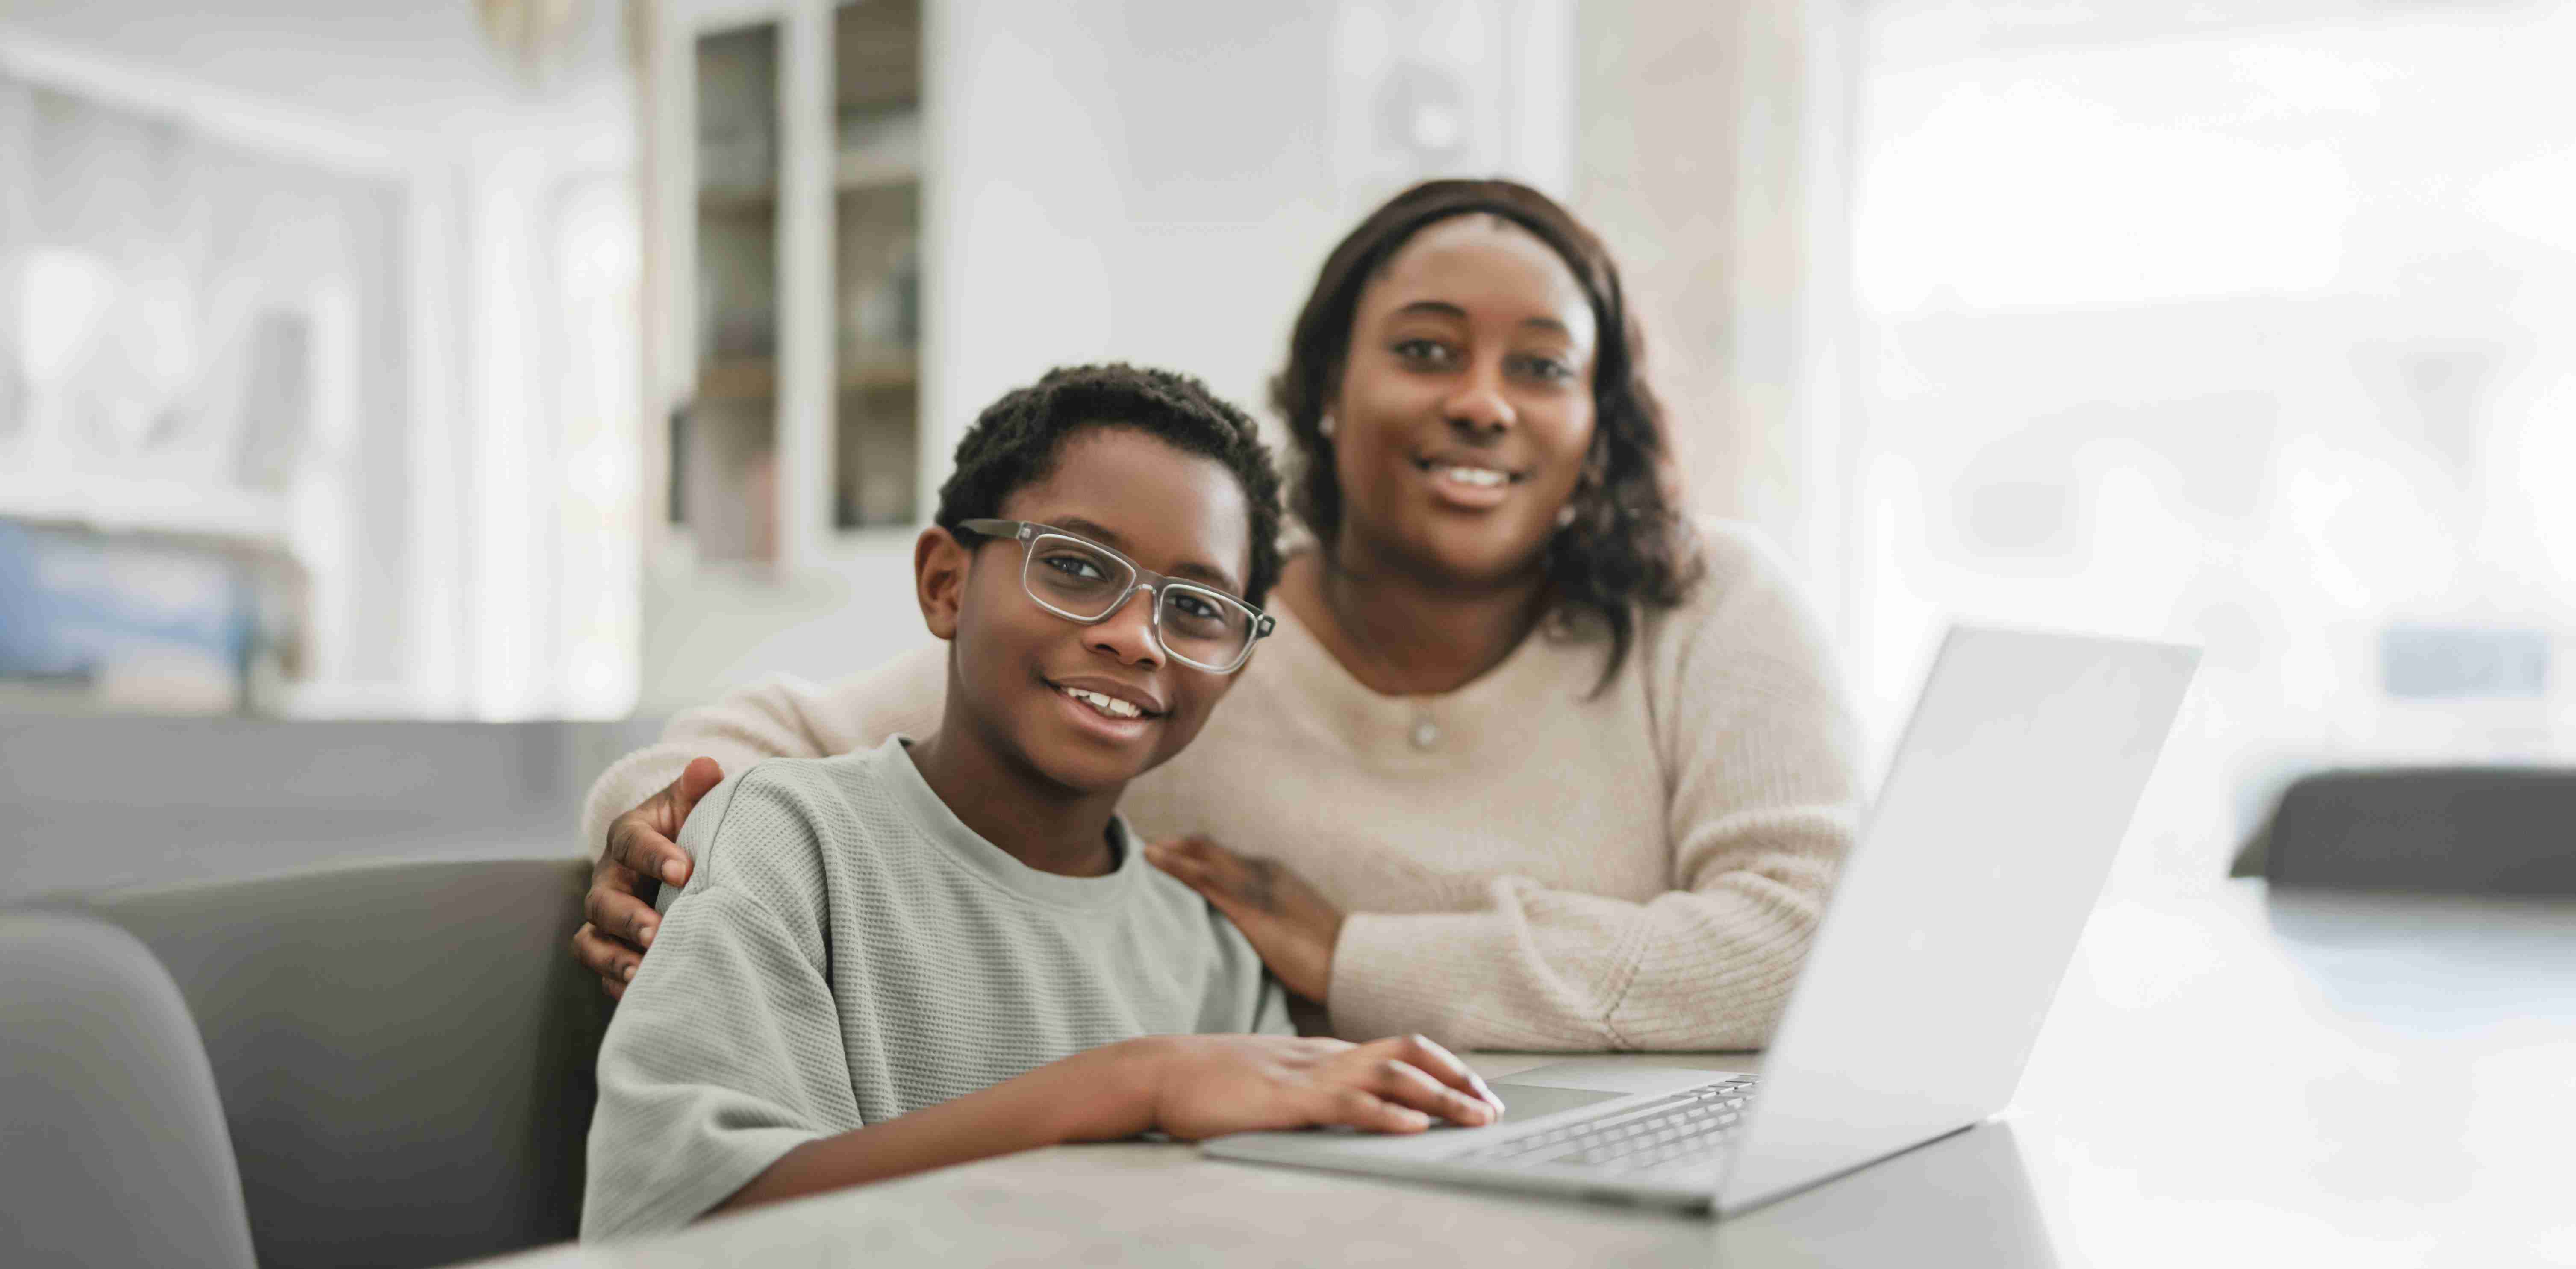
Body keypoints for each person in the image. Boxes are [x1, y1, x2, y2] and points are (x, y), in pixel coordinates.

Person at [577, 178, 1863, 1054]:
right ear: (1321, 391)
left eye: (1541, 367)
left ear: (1597, 425)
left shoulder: (1701, 605)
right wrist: (653, 824)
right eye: (1424, 351)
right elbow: (767, 736)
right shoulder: (1190, 636)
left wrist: (1355, 955)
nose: (1483, 402)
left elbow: (1813, 940)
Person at [581, 365, 1502, 1242]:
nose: (1138, 638)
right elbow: (682, 1224)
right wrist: (1129, 1085)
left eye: (1195, 610)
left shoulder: (1208, 952)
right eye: (1073, 567)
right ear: (946, 584)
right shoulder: (787, 842)